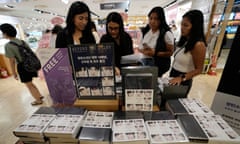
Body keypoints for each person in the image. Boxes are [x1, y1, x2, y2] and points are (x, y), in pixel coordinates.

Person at [0, 23, 43, 106]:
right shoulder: (22, 42)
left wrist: (14, 72)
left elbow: (11, 61)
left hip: (23, 67)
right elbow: (31, 52)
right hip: (31, 64)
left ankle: (38, 100)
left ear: (5, 33)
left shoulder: (8, 46)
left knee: (29, 84)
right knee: (30, 83)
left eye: (2, 33)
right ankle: (39, 96)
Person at [169, 9, 207, 95]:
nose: (182, 28)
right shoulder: (185, 40)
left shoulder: (198, 45)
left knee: (174, 105)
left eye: (186, 25)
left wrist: (181, 78)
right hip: (173, 74)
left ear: (195, 27)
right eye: (182, 24)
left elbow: (199, 69)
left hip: (183, 80)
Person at [139, 7, 174, 77]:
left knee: (153, 84)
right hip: (144, 62)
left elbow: (170, 52)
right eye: (151, 18)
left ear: (161, 20)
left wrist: (155, 53)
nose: (152, 21)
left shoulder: (166, 33)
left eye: (156, 19)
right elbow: (140, 46)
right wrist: (143, 50)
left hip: (158, 66)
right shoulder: (146, 30)